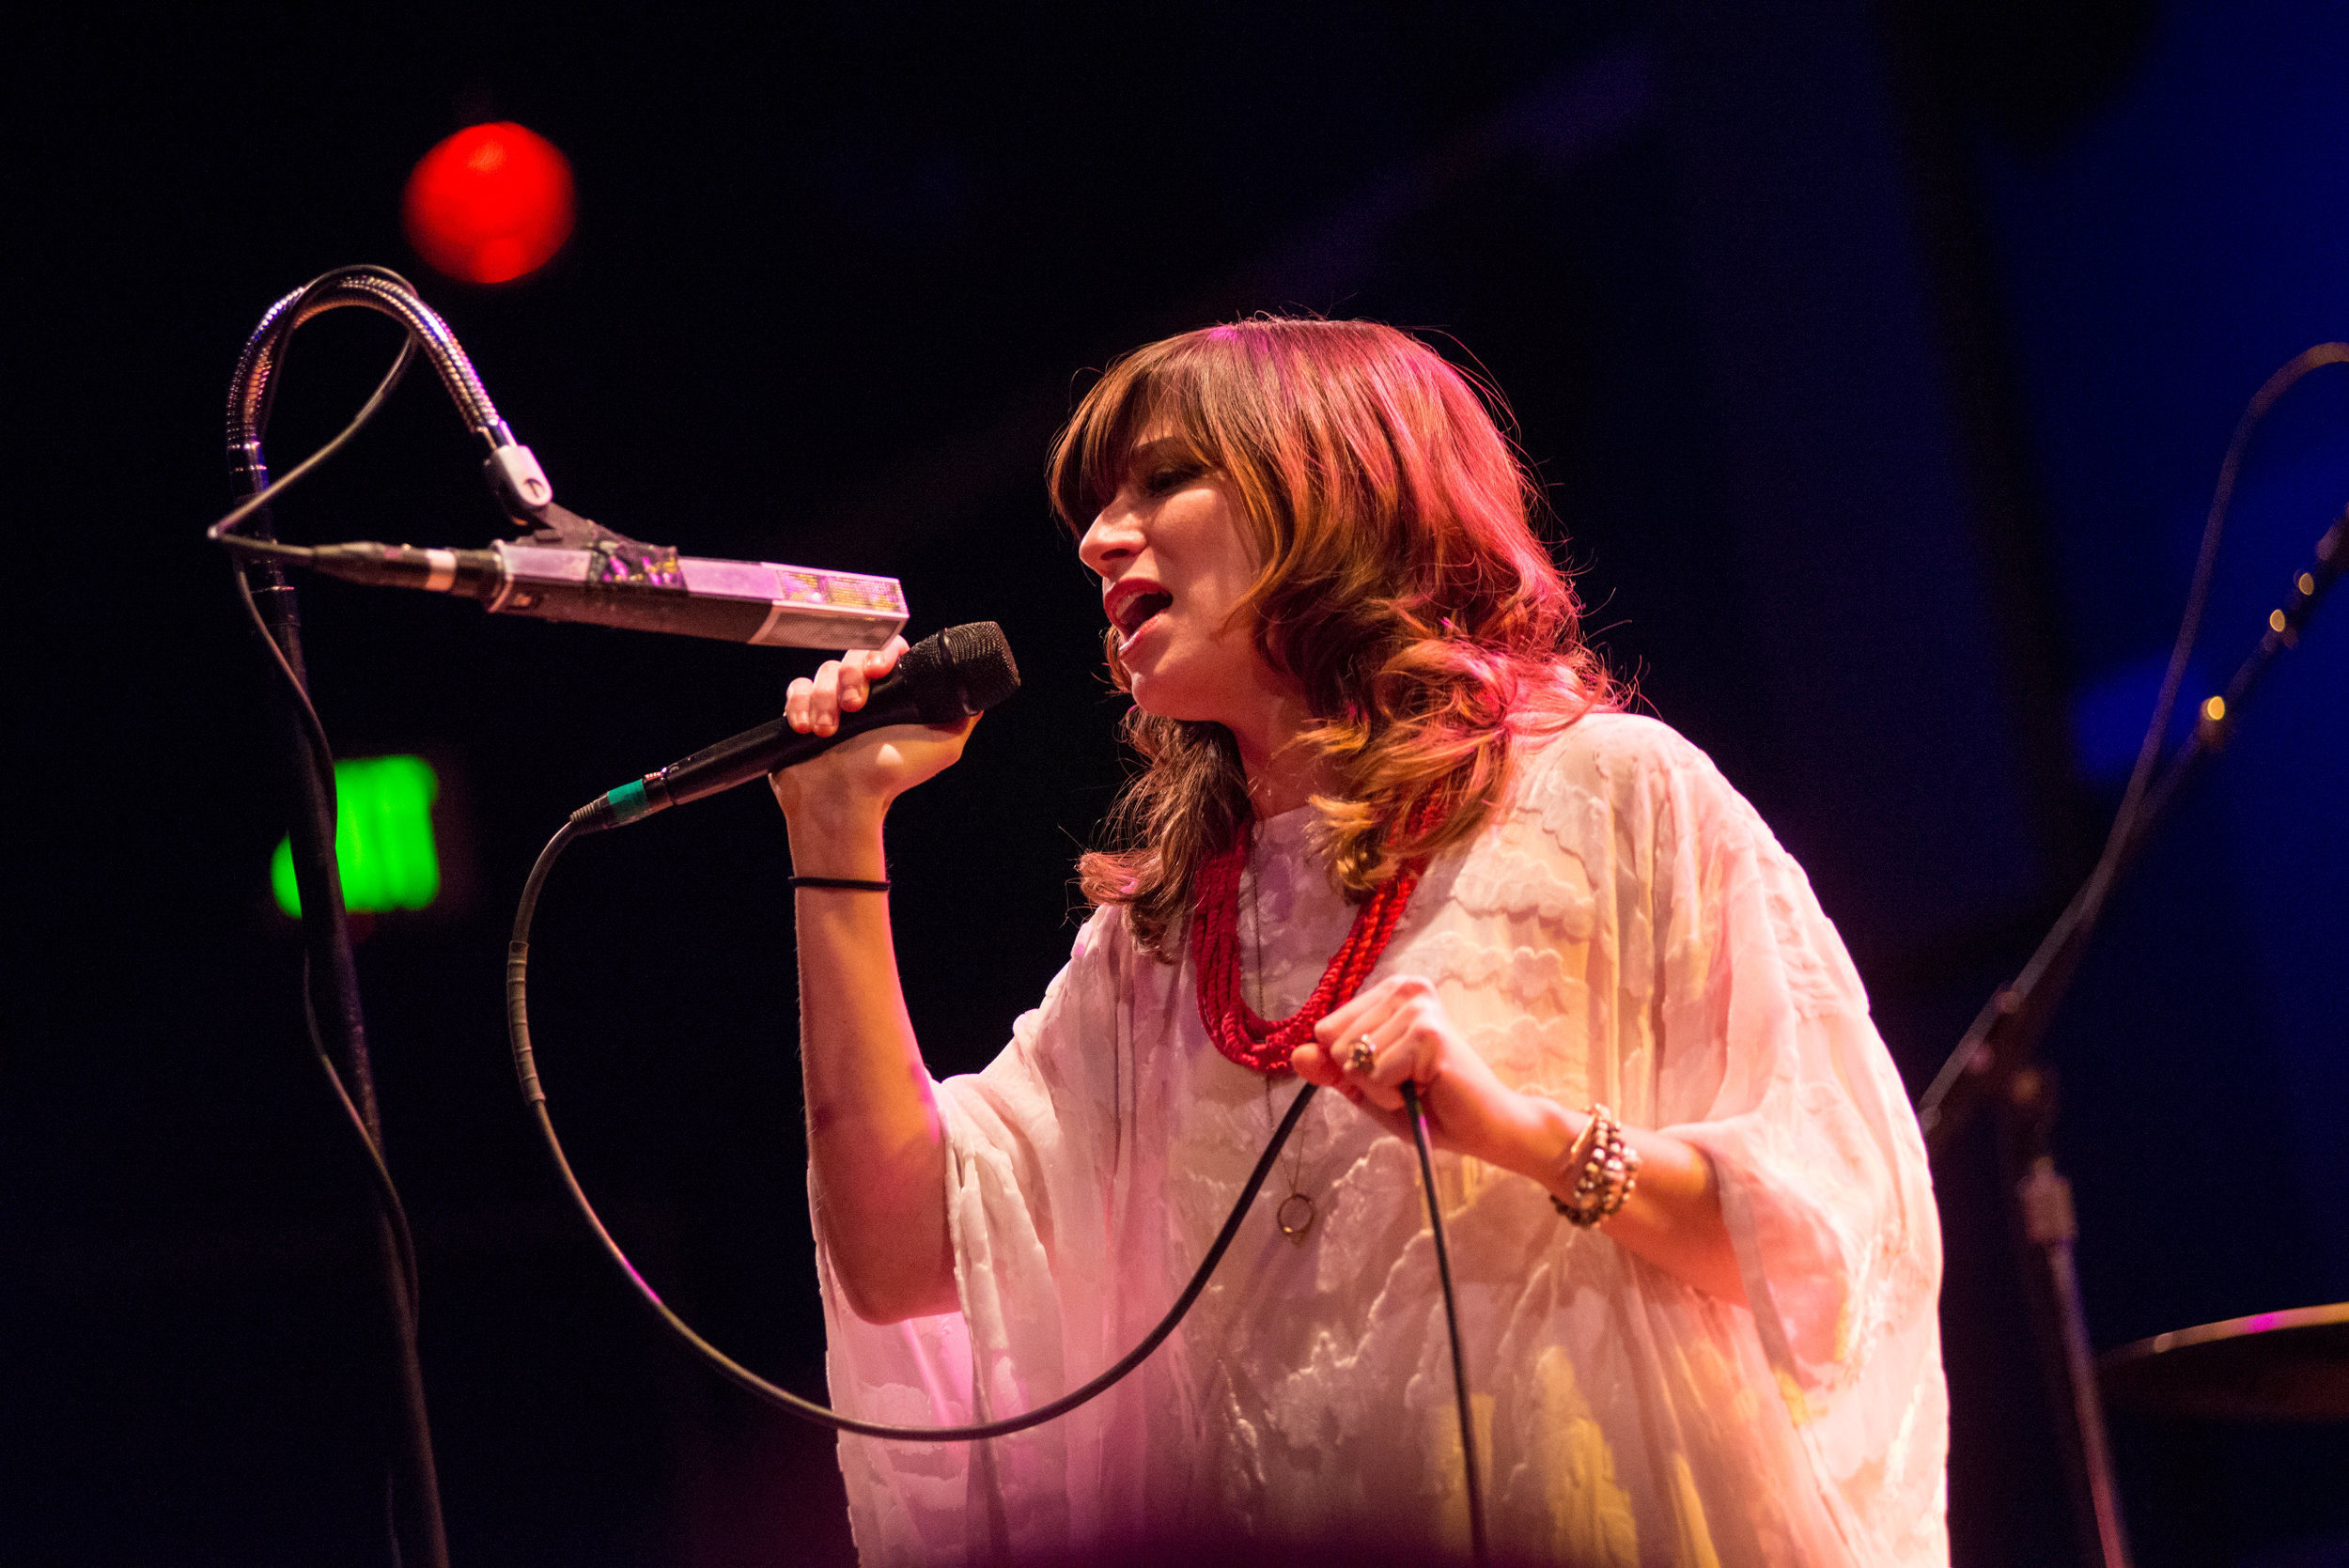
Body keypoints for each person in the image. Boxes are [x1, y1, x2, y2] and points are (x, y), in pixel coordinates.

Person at [769, 318, 1947, 1566]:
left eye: (1167, 479)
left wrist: (1514, 1128)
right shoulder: (1160, 944)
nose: (1101, 538)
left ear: (1331, 490)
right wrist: (835, 829)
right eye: (1100, 506)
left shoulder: (1613, 799)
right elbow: (900, 1256)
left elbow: (1830, 1240)